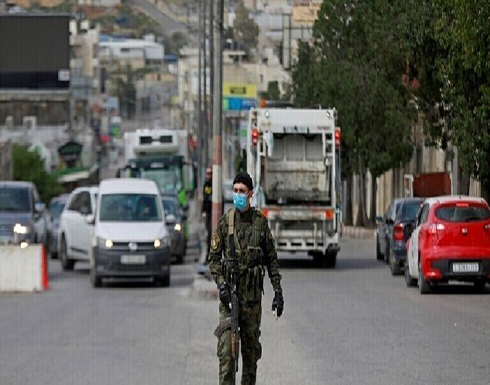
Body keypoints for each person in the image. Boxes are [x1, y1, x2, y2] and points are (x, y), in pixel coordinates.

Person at [209, 171, 284, 385]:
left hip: (251, 302)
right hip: (229, 301)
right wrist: (221, 285)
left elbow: (271, 259)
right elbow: (213, 259)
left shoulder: (259, 223)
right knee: (226, 357)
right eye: (235, 191)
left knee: (250, 361)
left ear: (250, 194)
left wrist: (278, 292)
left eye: (242, 191)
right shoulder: (226, 223)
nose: (238, 195)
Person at [202, 167, 213, 257]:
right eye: (207, 173)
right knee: (207, 234)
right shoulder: (206, 184)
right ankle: (207, 253)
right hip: (208, 212)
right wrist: (203, 210)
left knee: (211, 233)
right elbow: (204, 198)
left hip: (213, 212)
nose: (209, 175)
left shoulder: (214, 184)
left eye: (210, 173)